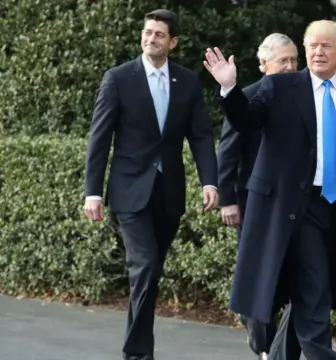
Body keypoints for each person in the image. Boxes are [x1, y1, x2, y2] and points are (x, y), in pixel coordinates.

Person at [203, 20, 336, 360]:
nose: (318, 51)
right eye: (312, 44)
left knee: (314, 289)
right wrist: (229, 89)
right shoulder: (280, 88)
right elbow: (246, 122)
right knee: (314, 287)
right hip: (293, 206)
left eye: (327, 45)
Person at [82, 9, 218, 360]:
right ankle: (139, 353)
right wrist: (92, 192)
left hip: (168, 191)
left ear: (172, 42)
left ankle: (136, 345)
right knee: (144, 266)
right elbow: (99, 138)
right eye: (147, 32)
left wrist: (210, 182)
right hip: (129, 191)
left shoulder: (187, 82)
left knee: (150, 271)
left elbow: (201, 136)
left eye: (159, 34)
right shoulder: (118, 78)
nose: (150, 39)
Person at [216, 33, 301, 360]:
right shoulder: (247, 97)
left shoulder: (305, 98)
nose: (291, 67)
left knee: (296, 279)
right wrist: (228, 200)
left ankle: (281, 347)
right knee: (259, 276)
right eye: (284, 61)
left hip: (295, 205)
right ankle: (263, 345)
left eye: (294, 60)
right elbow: (228, 152)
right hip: (253, 204)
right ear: (264, 65)